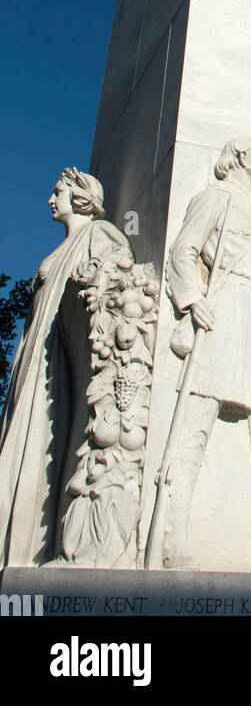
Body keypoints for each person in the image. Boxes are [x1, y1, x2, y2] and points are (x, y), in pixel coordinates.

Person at [163, 135, 251, 570]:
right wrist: (190, 299)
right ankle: (173, 536)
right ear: (241, 157)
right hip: (224, 308)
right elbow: (182, 250)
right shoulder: (214, 199)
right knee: (194, 428)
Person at [0, 168, 131, 567]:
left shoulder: (98, 233)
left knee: (46, 436)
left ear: (80, 197)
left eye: (58, 191)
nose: (50, 199)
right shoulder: (67, 243)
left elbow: (118, 264)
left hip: (59, 357)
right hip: (37, 353)